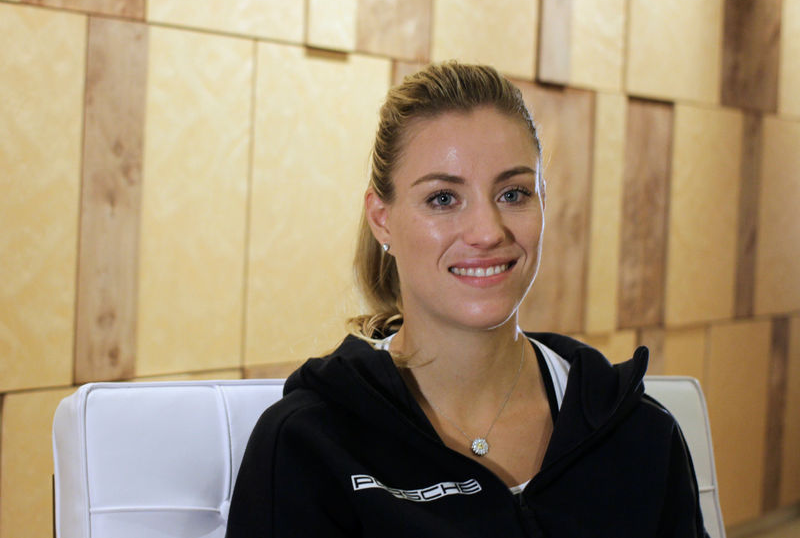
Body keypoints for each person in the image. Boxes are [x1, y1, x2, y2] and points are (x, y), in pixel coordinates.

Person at [226, 62, 708, 537]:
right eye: (443, 199)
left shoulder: (637, 429)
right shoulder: (309, 442)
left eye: (513, 194)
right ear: (382, 218)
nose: (487, 232)